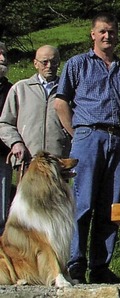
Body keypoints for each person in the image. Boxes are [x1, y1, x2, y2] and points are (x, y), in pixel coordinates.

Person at [54, 12, 120, 284]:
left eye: (111, 31)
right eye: (102, 31)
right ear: (92, 34)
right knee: (83, 204)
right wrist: (75, 133)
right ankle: (75, 264)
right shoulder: (77, 64)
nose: (107, 36)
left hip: (118, 139)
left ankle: (101, 266)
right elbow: (61, 102)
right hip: (88, 137)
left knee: (109, 206)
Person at [0, 45, 71, 167]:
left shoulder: (68, 90)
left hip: (57, 161)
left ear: (59, 64)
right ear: (35, 63)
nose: (49, 66)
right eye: (44, 62)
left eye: (53, 62)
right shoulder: (20, 89)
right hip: (27, 161)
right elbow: (5, 123)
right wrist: (15, 143)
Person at [0, 42, 13, 235]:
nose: (2, 59)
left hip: (3, 153)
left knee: (2, 210)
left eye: (4, 55)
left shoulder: (12, 89)